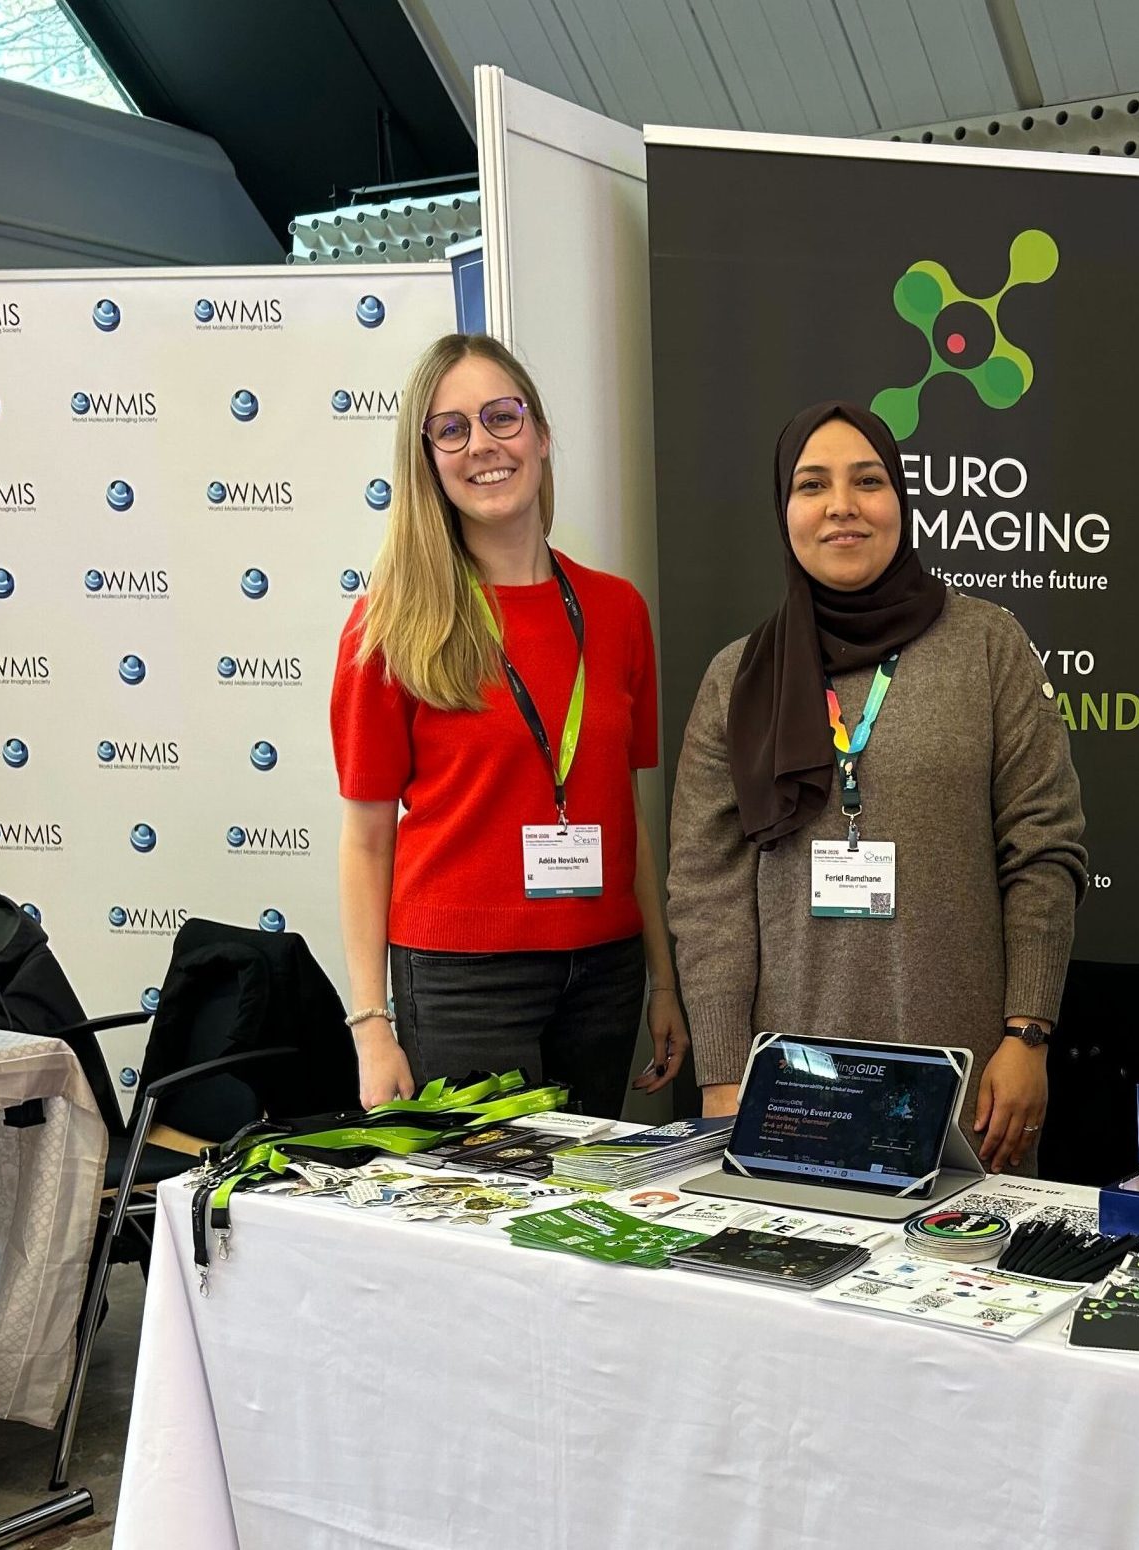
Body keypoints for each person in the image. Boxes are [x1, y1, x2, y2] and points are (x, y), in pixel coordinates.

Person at [667, 400, 1086, 1172]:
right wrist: (723, 1073)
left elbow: (1044, 848)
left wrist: (1028, 1035)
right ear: (784, 510)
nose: (841, 506)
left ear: (900, 498)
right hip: (791, 1087)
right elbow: (707, 893)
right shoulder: (739, 677)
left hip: (968, 1082)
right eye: (812, 485)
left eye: (868, 481)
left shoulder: (987, 644)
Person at [330, 333, 688, 1116]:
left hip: (604, 973)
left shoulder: (618, 611)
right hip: (461, 982)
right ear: (427, 460)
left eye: (502, 416)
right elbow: (366, 841)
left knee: (582, 1193)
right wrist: (370, 1026)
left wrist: (663, 980)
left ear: (541, 434)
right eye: (451, 429)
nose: (482, 445)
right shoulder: (391, 625)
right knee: (488, 1195)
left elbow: (625, 814)